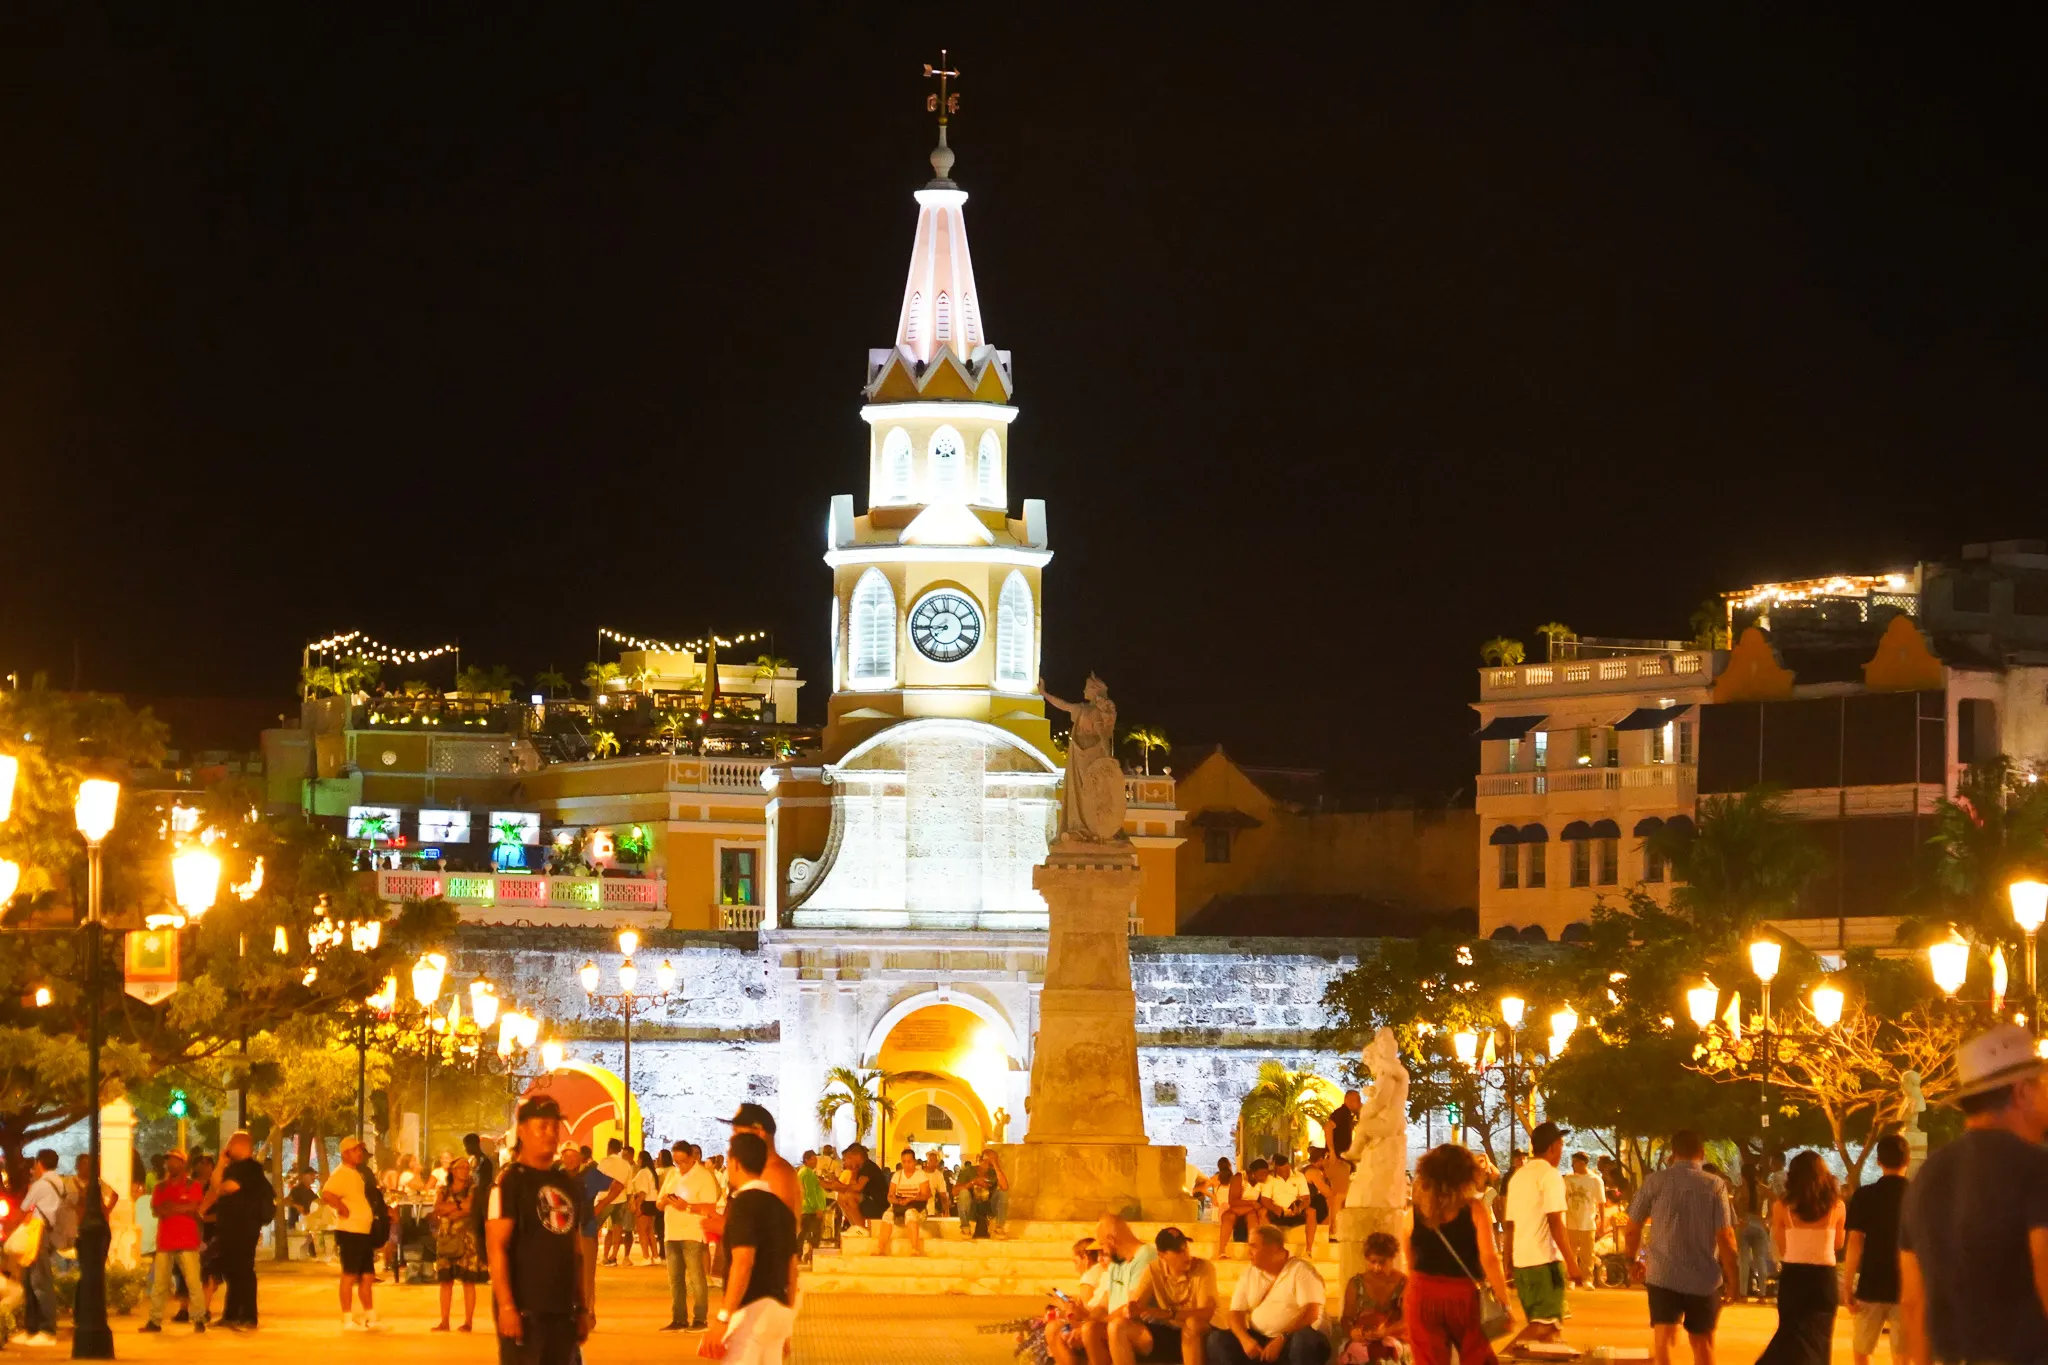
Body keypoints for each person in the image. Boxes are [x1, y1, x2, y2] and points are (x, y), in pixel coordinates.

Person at [1900, 1022, 2048, 1365]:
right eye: (2042, 1084)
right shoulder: (2036, 1169)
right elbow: (2044, 1264)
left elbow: (1912, 1300)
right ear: (2021, 1092)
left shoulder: (1926, 1176)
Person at [487, 1094, 593, 1365]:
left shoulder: (566, 1184)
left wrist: (582, 1307)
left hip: (563, 1311)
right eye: (542, 1127)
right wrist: (507, 1306)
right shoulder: (509, 1182)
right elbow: (496, 1247)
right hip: (525, 1311)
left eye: (555, 1127)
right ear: (522, 1131)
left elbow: (576, 1250)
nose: (550, 1134)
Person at [1626, 1129, 1739, 1365]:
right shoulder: (1715, 1185)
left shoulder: (1654, 1181)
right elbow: (1726, 1235)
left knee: (1663, 1340)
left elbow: (1632, 1227)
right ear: (1702, 1153)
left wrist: (1631, 1260)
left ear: (1673, 1153)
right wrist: (1733, 1278)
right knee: (1703, 1343)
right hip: (1704, 1279)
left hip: (1662, 1276)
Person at [1405, 1143, 1517, 1365]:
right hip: (1463, 1296)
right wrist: (1504, 1303)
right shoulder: (1475, 1210)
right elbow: (1489, 1259)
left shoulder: (1413, 1214)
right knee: (1477, 1357)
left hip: (1421, 1293)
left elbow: (1410, 1260)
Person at [701, 1131, 800, 1365]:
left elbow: (743, 1262)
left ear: (735, 1163)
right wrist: (786, 1325)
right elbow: (792, 1268)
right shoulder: (781, 1208)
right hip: (777, 1310)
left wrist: (723, 1318)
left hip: (751, 1311)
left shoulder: (743, 1204)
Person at [1758, 1150, 1844, 1365]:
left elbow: (1782, 1246)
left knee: (1791, 1336)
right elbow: (1838, 1244)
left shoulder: (1782, 1207)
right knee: (1820, 1339)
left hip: (1794, 1277)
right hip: (1824, 1279)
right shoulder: (1837, 1206)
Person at [1206, 1222, 1329, 1364]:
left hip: (1292, 1339)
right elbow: (1235, 1313)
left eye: (1254, 1246)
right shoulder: (1250, 1273)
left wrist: (1282, 1337)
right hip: (1261, 1340)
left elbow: (1311, 1312)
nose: (1248, 1252)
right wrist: (1245, 1340)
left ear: (1273, 1248)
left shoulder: (1301, 1270)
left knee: (1303, 1340)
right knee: (1217, 1340)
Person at [1502, 1121, 1579, 1347]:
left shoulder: (1518, 1177)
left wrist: (1508, 1262)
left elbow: (1509, 1225)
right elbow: (1555, 1222)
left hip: (1522, 1264)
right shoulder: (1550, 1175)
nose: (1562, 1150)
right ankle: (1499, 1359)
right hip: (1545, 1262)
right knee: (1547, 1325)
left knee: (1549, 1337)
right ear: (1553, 1147)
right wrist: (1572, 1263)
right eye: (1561, 1144)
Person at [1842, 1133, 1910, 1365]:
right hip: (1907, 1285)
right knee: (1902, 1354)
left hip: (1871, 1284)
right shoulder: (1919, 1195)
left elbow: (1854, 1242)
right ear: (1907, 1160)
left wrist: (1847, 1285)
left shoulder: (1865, 1196)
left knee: (1862, 1349)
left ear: (1879, 1161)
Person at [1115, 1225, 1216, 1365]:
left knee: (1192, 1324)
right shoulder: (1153, 1269)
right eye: (1178, 1251)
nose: (1186, 1254)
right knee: (1117, 1326)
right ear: (1162, 1255)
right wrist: (1132, 1309)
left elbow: (1206, 1313)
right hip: (1169, 1331)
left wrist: (1168, 1314)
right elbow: (1137, 1304)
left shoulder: (1203, 1268)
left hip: (1202, 1334)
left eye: (1185, 1247)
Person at [320, 1135, 391, 1333]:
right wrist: (341, 1207)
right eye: (355, 1150)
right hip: (350, 1231)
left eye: (360, 1150)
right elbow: (327, 1193)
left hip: (363, 1231)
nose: (359, 1153)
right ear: (345, 1153)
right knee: (349, 1275)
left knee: (367, 1276)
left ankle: (370, 1317)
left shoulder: (356, 1173)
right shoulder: (341, 1173)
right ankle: (347, 1319)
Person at [207, 1129, 273, 1332]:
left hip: (244, 1228)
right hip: (229, 1228)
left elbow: (226, 1188)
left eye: (230, 1144)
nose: (227, 1148)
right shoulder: (232, 1167)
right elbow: (216, 1186)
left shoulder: (250, 1169)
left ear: (240, 1146)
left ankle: (248, 1316)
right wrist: (220, 1164)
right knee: (231, 1272)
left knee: (243, 1271)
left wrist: (221, 1186)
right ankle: (231, 1314)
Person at [141, 1150, 208, 1334]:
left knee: (193, 1282)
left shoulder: (192, 1185)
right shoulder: (160, 1187)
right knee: (160, 1284)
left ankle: (199, 1318)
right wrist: (181, 1207)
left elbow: (193, 1207)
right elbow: (157, 1210)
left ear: (183, 1164)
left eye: (174, 1160)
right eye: (168, 1161)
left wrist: (171, 1208)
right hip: (165, 1241)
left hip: (187, 1240)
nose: (170, 1164)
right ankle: (155, 1320)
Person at [657, 1140, 720, 1332]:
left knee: (696, 1277)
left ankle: (700, 1319)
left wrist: (687, 1206)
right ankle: (679, 1319)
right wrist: (665, 1200)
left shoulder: (703, 1176)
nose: (680, 1166)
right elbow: (658, 1204)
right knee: (675, 1279)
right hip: (671, 1232)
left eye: (683, 1161)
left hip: (692, 1232)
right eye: (676, 1161)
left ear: (693, 1157)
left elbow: (710, 1207)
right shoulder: (672, 1174)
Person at [430, 1155, 488, 1332]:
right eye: (461, 1167)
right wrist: (458, 1207)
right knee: (445, 1281)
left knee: (467, 1281)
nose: (464, 1170)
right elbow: (437, 1208)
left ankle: (468, 1322)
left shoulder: (474, 1189)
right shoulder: (443, 1189)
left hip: (467, 1239)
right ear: (453, 1171)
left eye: (466, 1167)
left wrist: (450, 1208)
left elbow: (470, 1207)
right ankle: (444, 1321)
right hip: (447, 1238)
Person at [723, 1103, 803, 1220]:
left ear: (759, 1131)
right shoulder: (757, 1171)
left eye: (737, 1132)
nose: (733, 1137)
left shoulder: (776, 1173)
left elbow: (777, 1227)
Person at [1338, 1231, 1408, 1364]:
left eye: (1382, 1262)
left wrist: (1386, 1332)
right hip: (1362, 1341)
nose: (1377, 1268)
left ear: (1392, 1259)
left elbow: (1408, 1320)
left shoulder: (1403, 1283)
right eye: (1373, 1262)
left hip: (1393, 1339)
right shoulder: (1356, 1284)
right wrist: (1352, 1332)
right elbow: (1346, 1318)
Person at [562, 1144, 611, 1313]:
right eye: (566, 1157)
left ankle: (588, 1311)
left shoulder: (591, 1174)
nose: (570, 1161)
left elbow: (617, 1185)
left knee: (586, 1273)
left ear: (580, 1157)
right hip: (565, 1230)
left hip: (586, 1228)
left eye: (573, 1157)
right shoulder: (558, 1175)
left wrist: (601, 1204)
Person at [1048, 1238, 1109, 1365]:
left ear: (1085, 1258)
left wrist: (1070, 1310)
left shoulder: (1091, 1275)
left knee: (1053, 1329)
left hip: (1095, 1322)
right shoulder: (1105, 1274)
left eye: (1075, 1262)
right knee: (1054, 1327)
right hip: (1091, 1319)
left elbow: (1091, 1309)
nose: (1075, 1268)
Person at [1734, 1156, 1778, 1301]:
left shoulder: (1740, 1190)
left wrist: (1738, 1219)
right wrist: (1768, 1218)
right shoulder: (1764, 1189)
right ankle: (1762, 1294)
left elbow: (1732, 1206)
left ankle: (1743, 1294)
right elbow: (1776, 1200)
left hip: (1744, 1224)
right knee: (1760, 1259)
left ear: (1742, 1175)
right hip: (1759, 1224)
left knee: (1744, 1261)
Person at [1261, 1156, 1321, 1260]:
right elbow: (1265, 1199)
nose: (1282, 1173)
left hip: (1295, 1210)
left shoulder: (1299, 1176)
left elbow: (1306, 1198)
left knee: (1311, 1212)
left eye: (1284, 1169)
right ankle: (1267, 1250)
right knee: (1262, 1212)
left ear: (1289, 1166)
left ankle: (1308, 1251)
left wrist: (1299, 1208)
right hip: (1277, 1211)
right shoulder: (1270, 1178)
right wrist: (1276, 1209)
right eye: (1279, 1170)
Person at [1562, 1152, 1605, 1291]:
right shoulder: (1568, 1179)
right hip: (1571, 1221)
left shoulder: (1595, 1180)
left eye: (1575, 1162)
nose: (1572, 1165)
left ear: (1583, 1163)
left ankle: (1587, 1279)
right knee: (1571, 1252)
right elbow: (1562, 1200)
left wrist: (1602, 1223)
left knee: (1588, 1253)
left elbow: (1601, 1202)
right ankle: (1571, 1279)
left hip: (1588, 1221)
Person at [881, 1146, 931, 1256]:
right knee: (887, 1215)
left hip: (917, 1208)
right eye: (904, 1162)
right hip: (900, 1207)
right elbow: (890, 1195)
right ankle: (880, 1248)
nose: (907, 1164)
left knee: (910, 1214)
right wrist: (897, 1201)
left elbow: (926, 1195)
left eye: (909, 1161)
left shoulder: (921, 1175)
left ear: (914, 1161)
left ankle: (914, 1248)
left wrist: (911, 1199)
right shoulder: (897, 1175)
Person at [833, 1143, 888, 1239]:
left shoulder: (869, 1167)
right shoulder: (859, 1169)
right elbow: (852, 1185)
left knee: (849, 1196)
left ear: (857, 1156)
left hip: (879, 1206)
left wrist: (838, 1186)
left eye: (848, 1158)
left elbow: (858, 1187)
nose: (846, 1162)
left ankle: (861, 1228)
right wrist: (853, 1171)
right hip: (869, 1203)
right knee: (841, 1197)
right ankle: (856, 1227)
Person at [595, 1138, 635, 1266]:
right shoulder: (626, 1164)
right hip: (621, 1199)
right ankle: (613, 1256)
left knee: (595, 1228)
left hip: (605, 1199)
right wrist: (630, 1200)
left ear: (609, 1148)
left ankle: (601, 1255)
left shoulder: (604, 1162)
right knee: (617, 1228)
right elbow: (629, 1186)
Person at [1215, 1158, 1266, 1260]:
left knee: (1252, 1216)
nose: (1264, 1176)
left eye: (1266, 1173)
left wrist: (1255, 1206)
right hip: (1237, 1209)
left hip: (1251, 1211)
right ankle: (1222, 1251)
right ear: (1253, 1173)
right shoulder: (1239, 1177)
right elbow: (1233, 1201)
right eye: (1262, 1173)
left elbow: (1262, 1202)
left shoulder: (1264, 1182)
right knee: (1229, 1216)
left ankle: (1253, 1252)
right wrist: (1251, 1203)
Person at [796, 1151, 829, 1267]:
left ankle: (801, 1255)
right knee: (814, 1234)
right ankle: (810, 1255)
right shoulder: (808, 1173)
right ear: (806, 1160)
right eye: (813, 1159)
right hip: (810, 1209)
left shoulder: (804, 1172)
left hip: (805, 1208)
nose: (816, 1162)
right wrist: (817, 1208)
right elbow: (810, 1192)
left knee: (803, 1233)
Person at [629, 1149, 660, 1265]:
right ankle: (655, 1256)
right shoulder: (651, 1171)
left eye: (638, 1158)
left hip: (645, 1202)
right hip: (653, 1202)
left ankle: (646, 1257)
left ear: (642, 1159)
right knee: (650, 1231)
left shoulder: (643, 1172)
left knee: (642, 1231)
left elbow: (642, 1192)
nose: (637, 1160)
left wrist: (638, 1207)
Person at [1328, 1090, 1363, 1162]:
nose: (1360, 1104)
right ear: (1350, 1101)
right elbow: (1328, 1128)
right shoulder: (1341, 1113)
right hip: (1337, 1157)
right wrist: (1332, 1151)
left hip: (1341, 1156)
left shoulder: (1347, 1115)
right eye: (1358, 1100)